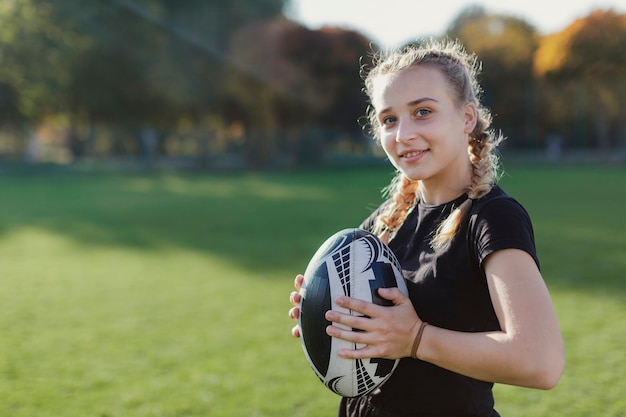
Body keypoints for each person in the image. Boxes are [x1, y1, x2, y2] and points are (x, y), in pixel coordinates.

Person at [288, 38, 565, 417]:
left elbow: (541, 361)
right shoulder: (385, 222)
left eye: (422, 112)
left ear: (467, 118)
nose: (403, 135)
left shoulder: (492, 219)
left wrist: (415, 338)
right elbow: (373, 337)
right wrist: (327, 316)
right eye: (389, 119)